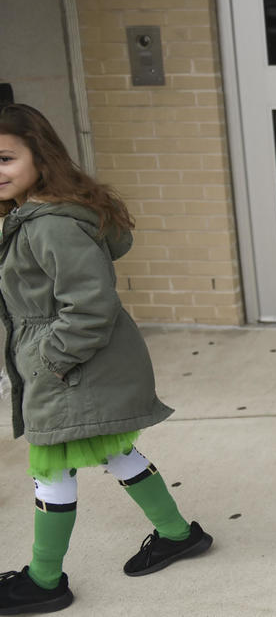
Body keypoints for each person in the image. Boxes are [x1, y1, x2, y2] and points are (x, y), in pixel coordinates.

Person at [0, 104, 212, 614]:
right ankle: (179, 535)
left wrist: (47, 361)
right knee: (114, 451)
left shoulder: (49, 225)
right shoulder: (33, 214)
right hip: (76, 365)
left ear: (40, 156)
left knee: (50, 468)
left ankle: (45, 581)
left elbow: (91, 305)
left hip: (71, 368)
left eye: (5, 158)